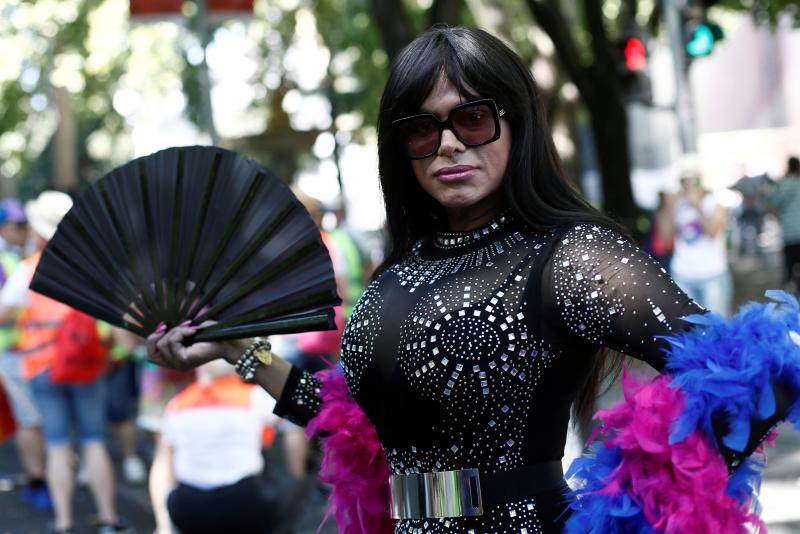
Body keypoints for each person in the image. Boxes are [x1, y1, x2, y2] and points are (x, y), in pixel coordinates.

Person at [144, 27, 793, 533]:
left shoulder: (566, 255)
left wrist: (634, 515)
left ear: (514, 122)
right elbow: (357, 431)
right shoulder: (400, 269)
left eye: (472, 118)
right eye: (423, 129)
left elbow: (755, 375)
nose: (449, 144)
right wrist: (235, 349)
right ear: (401, 148)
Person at [0, 191, 131, 534]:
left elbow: (3, 314)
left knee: (57, 445)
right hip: (87, 366)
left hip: (42, 367)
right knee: (93, 440)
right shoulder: (90, 271)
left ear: (40, 232)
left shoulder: (28, 269)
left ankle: (63, 523)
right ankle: (108, 519)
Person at [149, 359, 289, 534]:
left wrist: (164, 525)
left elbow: (163, 466)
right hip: (243, 504)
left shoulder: (177, 405)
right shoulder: (253, 397)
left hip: (189, 507)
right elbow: (291, 411)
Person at [0, 197, 51, 511]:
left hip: (29, 351)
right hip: (13, 351)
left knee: (32, 418)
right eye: (19, 225)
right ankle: (37, 479)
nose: (24, 230)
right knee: (29, 420)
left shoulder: (19, 257)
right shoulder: (9, 260)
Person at [665, 173, 732, 316]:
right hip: (683, 275)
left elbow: (712, 232)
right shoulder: (679, 206)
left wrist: (697, 206)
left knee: (715, 325)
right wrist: (669, 208)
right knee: (689, 328)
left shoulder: (715, 203)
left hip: (712, 275)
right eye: (685, 185)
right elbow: (666, 237)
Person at [767, 156, 800, 294]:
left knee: (789, 268)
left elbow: (771, 206)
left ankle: (790, 295)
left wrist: (781, 217)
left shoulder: (782, 185)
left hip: (789, 234)